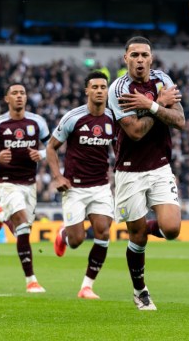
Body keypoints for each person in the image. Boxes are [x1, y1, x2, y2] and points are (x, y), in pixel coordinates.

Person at [107, 36, 185, 310]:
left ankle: (143, 226)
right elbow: (135, 132)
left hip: (160, 165)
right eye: (135, 55)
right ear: (125, 58)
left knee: (172, 229)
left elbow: (180, 121)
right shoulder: (117, 89)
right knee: (137, 238)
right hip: (129, 171)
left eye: (145, 55)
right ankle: (140, 290)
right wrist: (158, 105)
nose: (140, 60)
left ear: (151, 59)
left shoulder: (163, 80)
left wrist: (151, 104)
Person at [47, 71, 115, 299]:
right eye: (94, 87)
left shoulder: (113, 118)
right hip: (74, 188)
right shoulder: (73, 117)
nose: (99, 91)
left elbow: (119, 149)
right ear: (87, 91)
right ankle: (64, 234)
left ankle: (87, 286)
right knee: (76, 241)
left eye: (103, 87)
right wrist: (57, 177)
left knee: (103, 232)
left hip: (101, 187)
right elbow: (51, 147)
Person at [0, 83, 50, 293]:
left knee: (23, 229)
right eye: (14, 93)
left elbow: (52, 145)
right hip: (7, 183)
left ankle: (1, 215)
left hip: (30, 183)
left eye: (22, 93)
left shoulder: (37, 122)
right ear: (6, 98)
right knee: (23, 227)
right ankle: (31, 280)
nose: (19, 96)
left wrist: (41, 154)